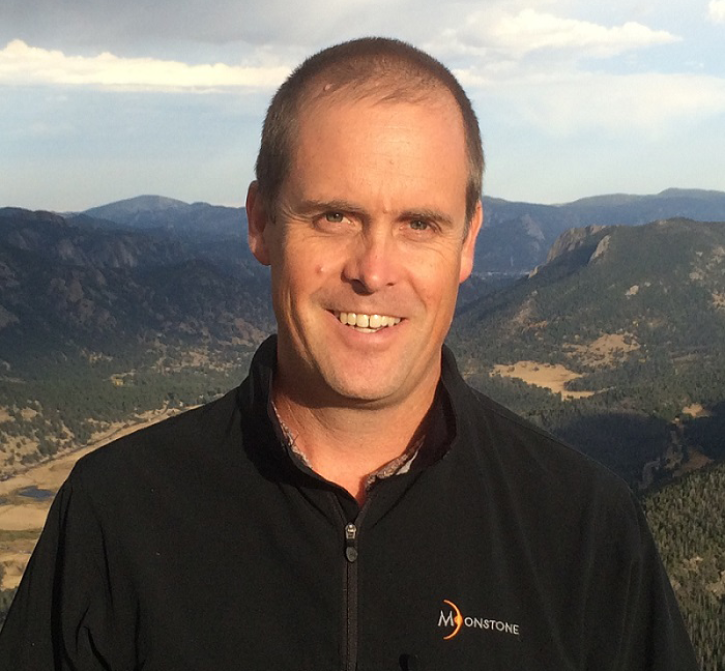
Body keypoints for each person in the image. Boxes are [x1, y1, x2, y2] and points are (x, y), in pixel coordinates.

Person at [0, 37, 698, 670]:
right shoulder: (117, 512)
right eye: (334, 216)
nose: (373, 267)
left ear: (467, 242)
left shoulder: (580, 526)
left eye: (419, 223)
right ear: (260, 223)